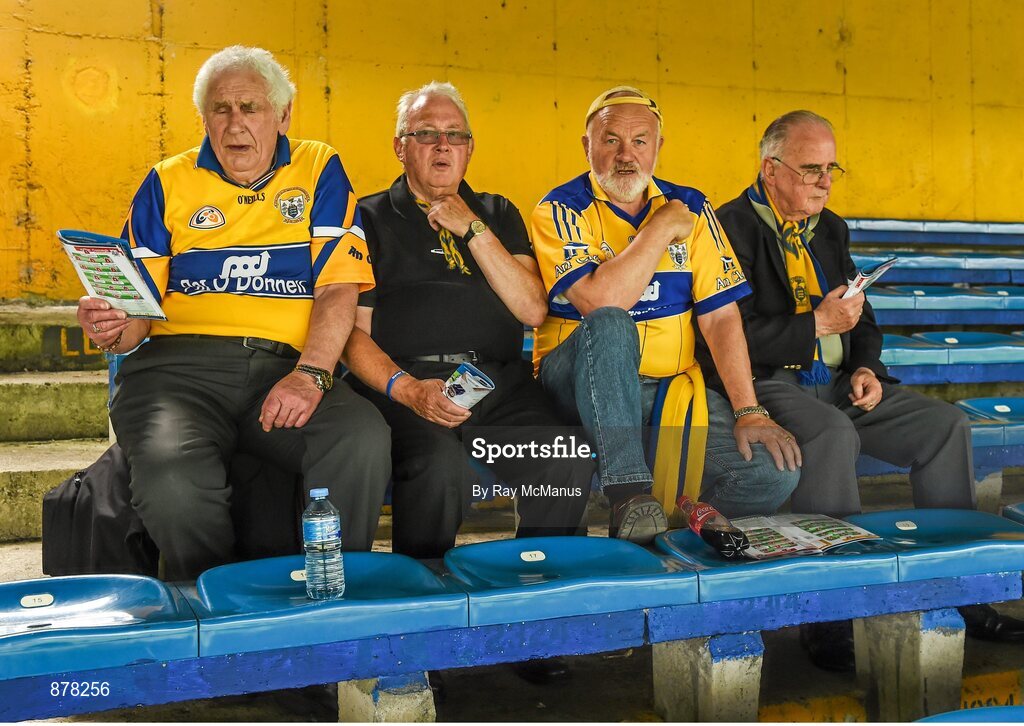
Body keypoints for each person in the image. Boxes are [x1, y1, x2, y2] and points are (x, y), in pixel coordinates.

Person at [712, 108, 1024, 667]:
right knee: (831, 435)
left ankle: (959, 592)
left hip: (836, 381)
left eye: (832, 168)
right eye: (811, 169)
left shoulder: (831, 228)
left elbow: (865, 318)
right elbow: (726, 334)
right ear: (770, 170)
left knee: (945, 426)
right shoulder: (728, 227)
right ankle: (830, 618)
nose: (825, 181)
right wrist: (815, 327)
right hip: (768, 386)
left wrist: (866, 370)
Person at [77, 46, 391, 581]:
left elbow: (338, 289)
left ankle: (338, 592)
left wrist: (311, 374)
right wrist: (112, 324)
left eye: (251, 107)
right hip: (176, 374)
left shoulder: (318, 167)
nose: (235, 123)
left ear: (283, 115)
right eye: (221, 109)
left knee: (359, 436)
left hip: (284, 368)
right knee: (174, 482)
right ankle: (216, 610)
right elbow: (136, 323)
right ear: (204, 119)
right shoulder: (166, 181)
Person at [531, 86, 801, 544]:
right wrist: (658, 229)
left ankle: (670, 536)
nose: (625, 155)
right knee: (612, 323)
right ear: (587, 146)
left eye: (640, 141)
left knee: (771, 473)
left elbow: (720, 318)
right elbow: (600, 304)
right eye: (610, 139)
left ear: (658, 147)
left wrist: (749, 410)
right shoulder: (559, 208)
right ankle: (630, 495)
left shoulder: (691, 206)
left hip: (671, 389)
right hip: (576, 381)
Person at [342, 81, 593, 562]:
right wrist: (408, 389)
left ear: (470, 149)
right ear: (400, 147)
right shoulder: (367, 217)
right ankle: (424, 591)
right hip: (407, 385)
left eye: (455, 136)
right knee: (440, 468)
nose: (443, 145)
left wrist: (473, 228)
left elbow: (532, 309)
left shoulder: (497, 212)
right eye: (426, 133)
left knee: (564, 458)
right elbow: (352, 334)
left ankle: (540, 580)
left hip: (497, 386)